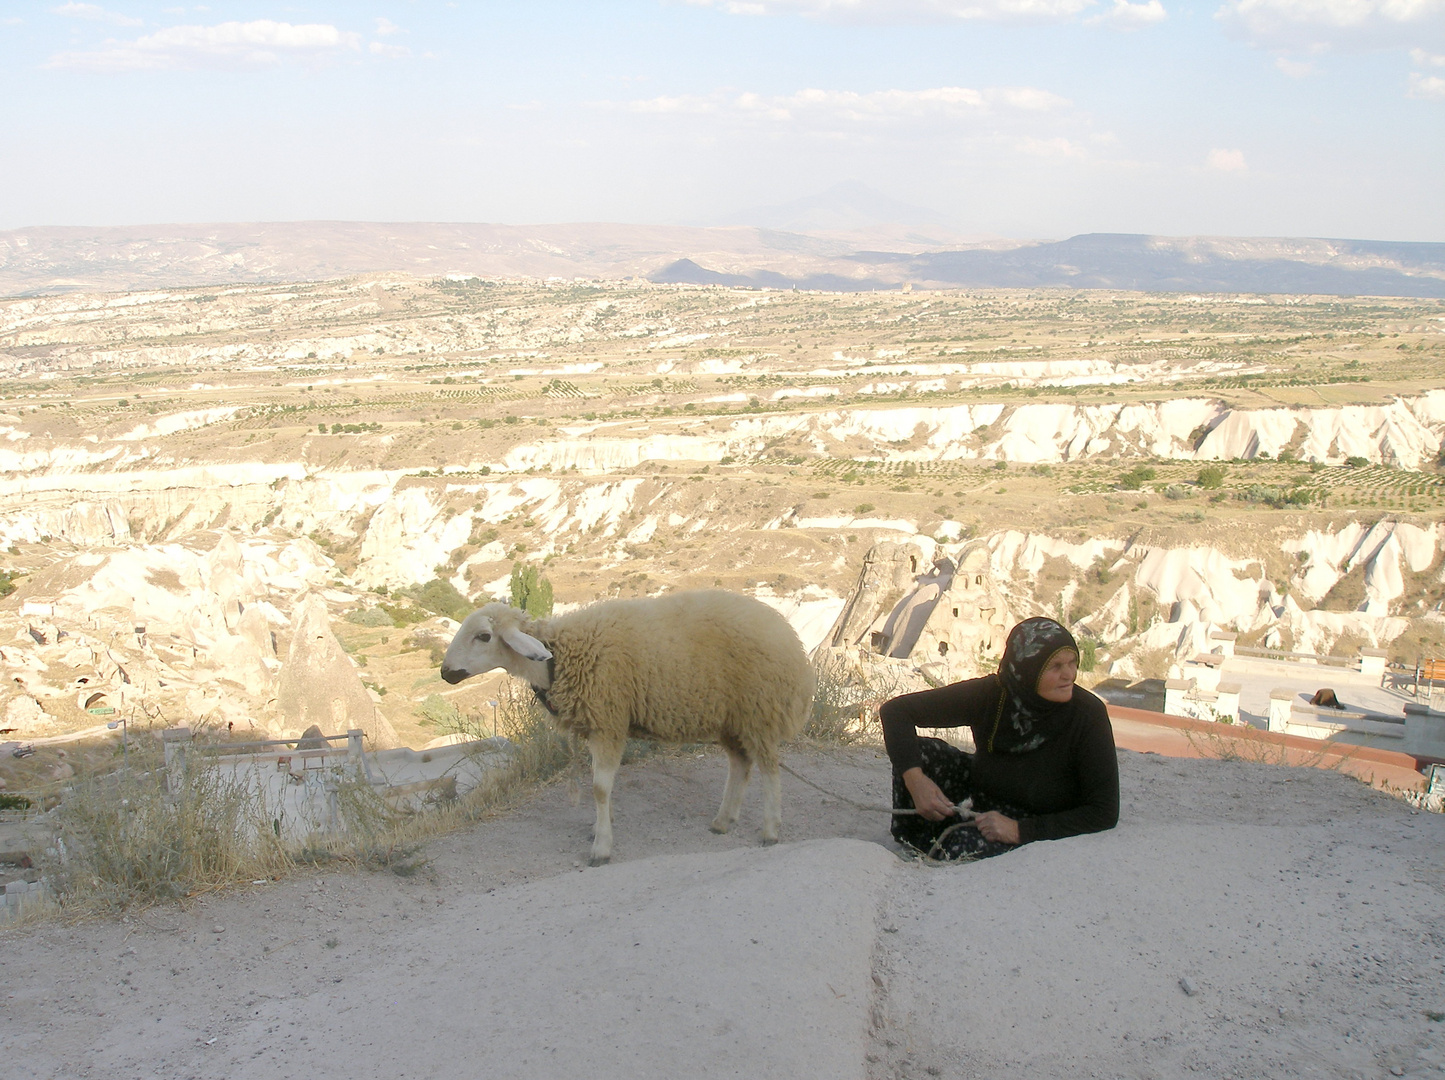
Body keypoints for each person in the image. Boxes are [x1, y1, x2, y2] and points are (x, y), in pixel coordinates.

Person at [880, 616, 1119, 860]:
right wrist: (916, 782)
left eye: (1072, 663)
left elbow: (1103, 812)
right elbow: (896, 712)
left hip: (1037, 819)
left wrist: (1019, 830)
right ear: (1026, 671)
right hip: (985, 798)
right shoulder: (995, 694)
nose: (1069, 675)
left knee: (959, 849)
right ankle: (918, 843)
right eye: (1056, 667)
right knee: (920, 753)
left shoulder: (1087, 714)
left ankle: (948, 842)